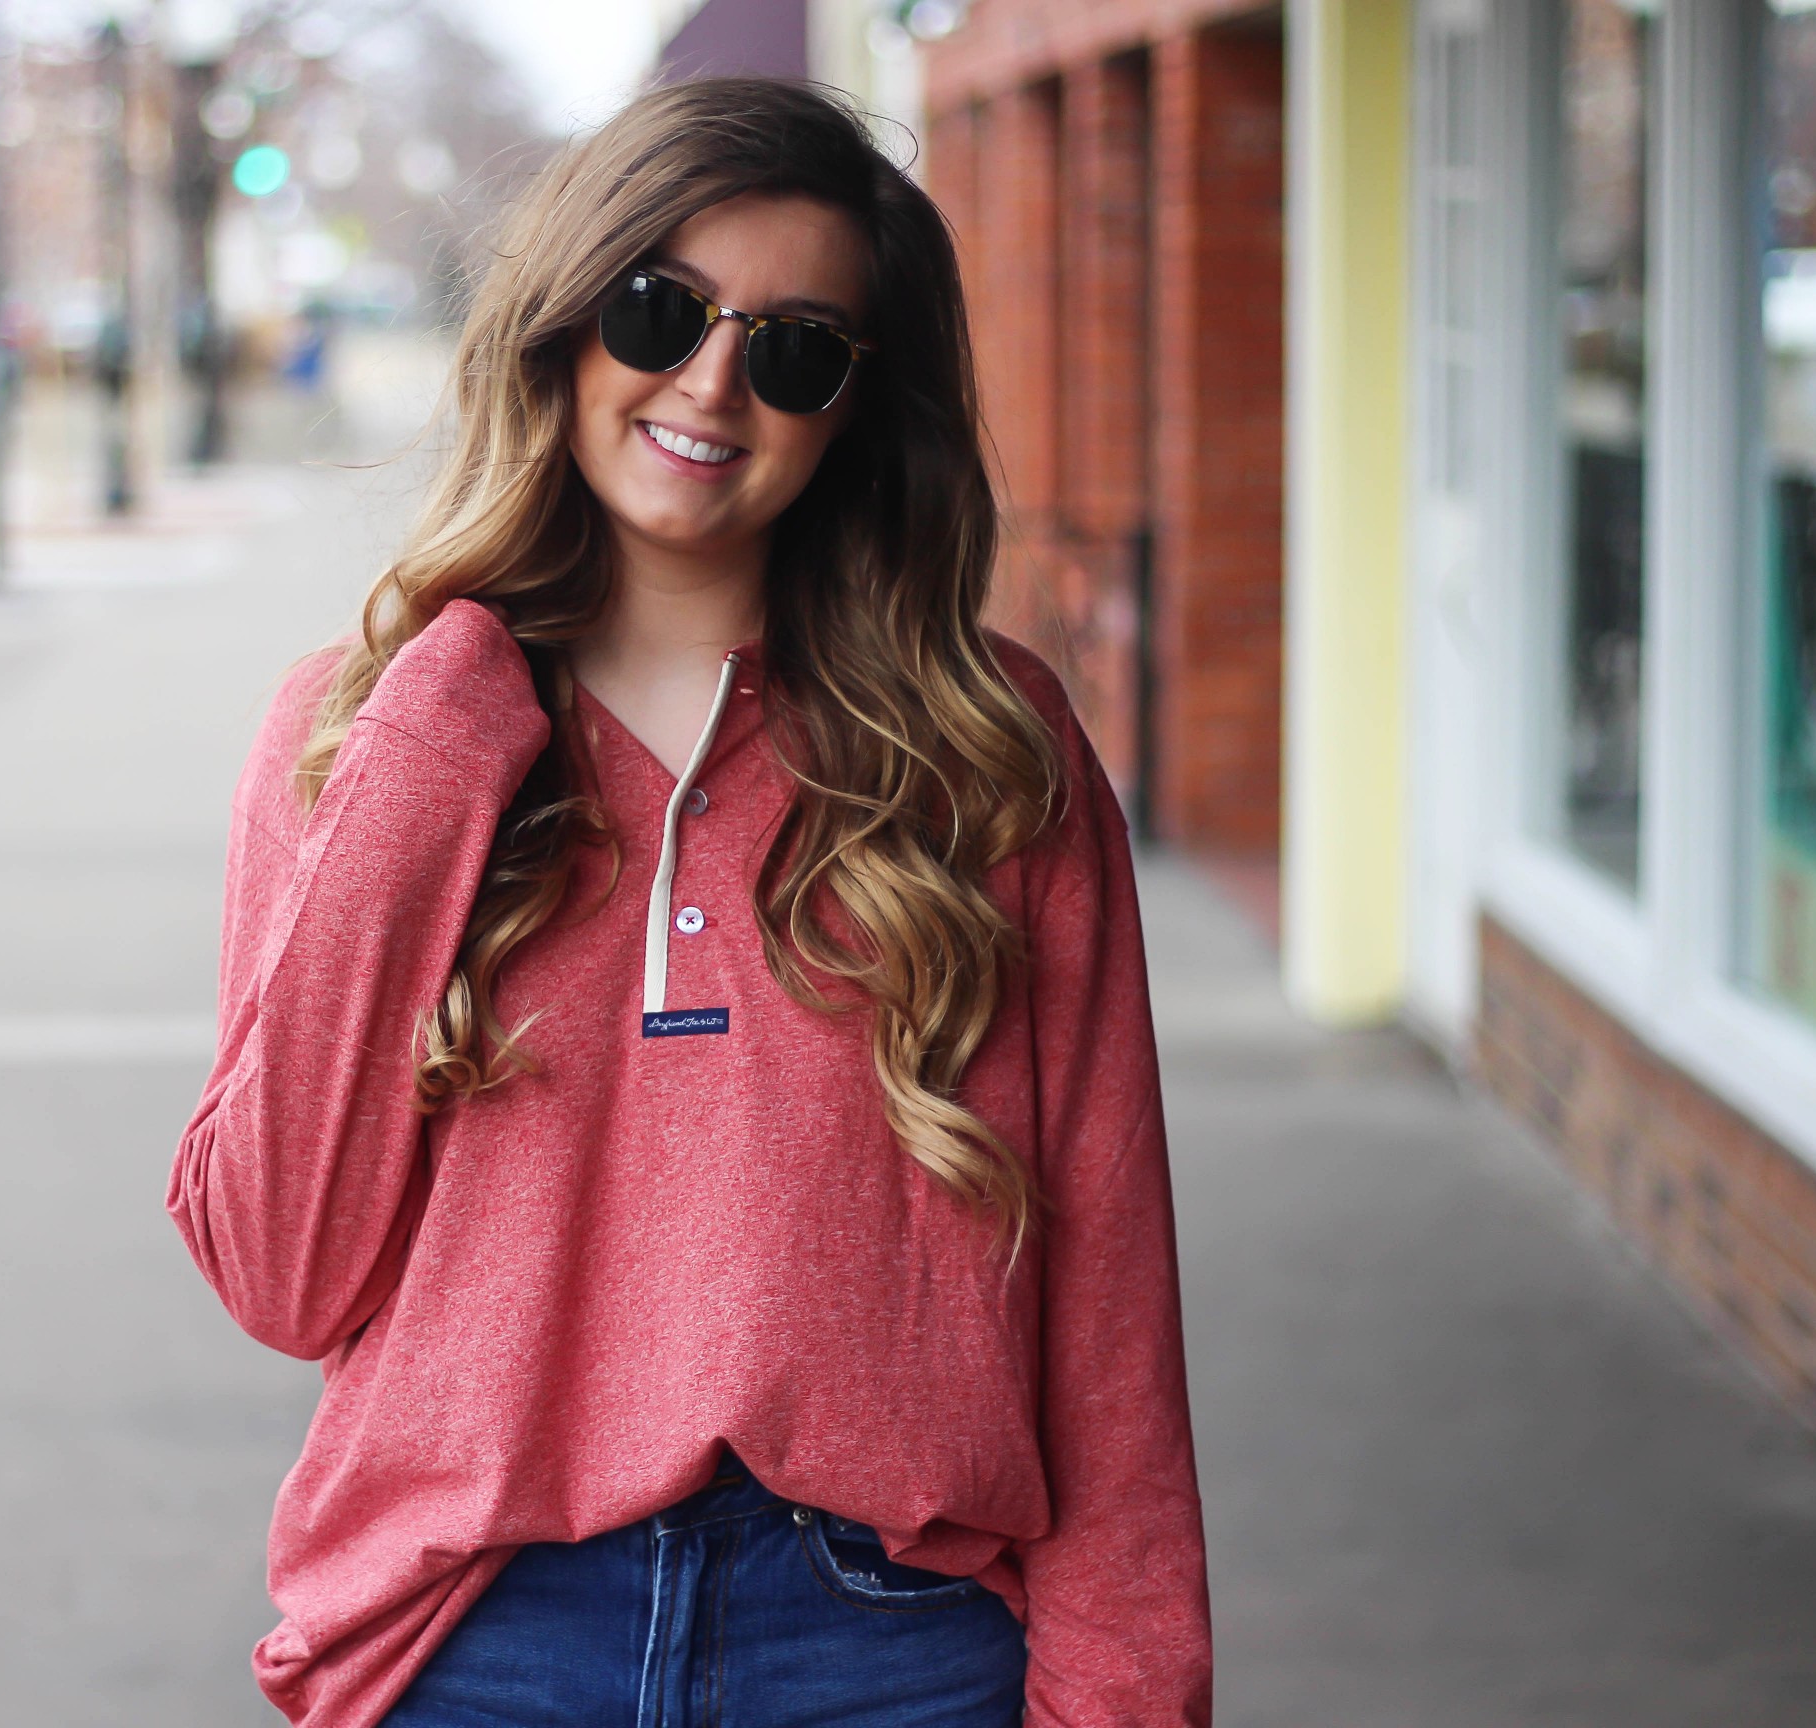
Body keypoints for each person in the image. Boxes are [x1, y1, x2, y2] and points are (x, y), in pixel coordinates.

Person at [171, 76, 1209, 1728]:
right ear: (569, 326)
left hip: (889, 1644)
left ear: (855, 406)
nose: (713, 381)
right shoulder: (357, 737)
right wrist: (435, 742)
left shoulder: (987, 751)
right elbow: (281, 1269)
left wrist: (1126, 1698)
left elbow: (1107, 1298)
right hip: (480, 1638)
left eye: (794, 346)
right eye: (663, 310)